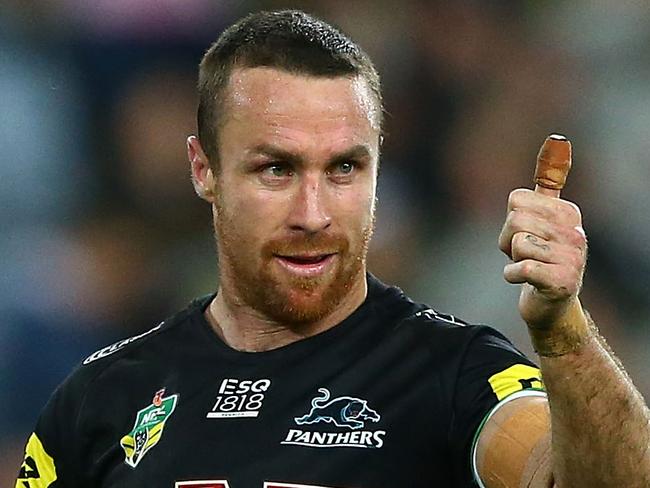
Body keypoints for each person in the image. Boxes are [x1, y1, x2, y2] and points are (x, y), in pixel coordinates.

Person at [15, 10, 650, 488]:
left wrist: (564, 330)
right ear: (204, 169)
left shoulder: (454, 375)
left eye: (345, 169)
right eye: (276, 170)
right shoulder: (98, 399)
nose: (314, 214)